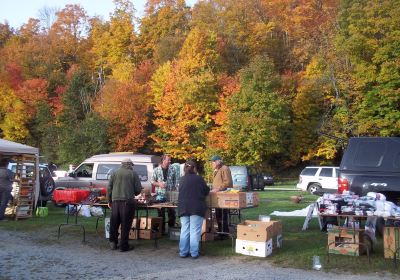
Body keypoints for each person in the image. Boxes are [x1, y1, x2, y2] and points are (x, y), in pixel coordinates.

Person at [107, 158, 142, 252]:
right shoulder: (133, 173)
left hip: (115, 202)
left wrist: (109, 200)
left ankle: (113, 243)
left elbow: (109, 187)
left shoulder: (114, 173)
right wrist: (133, 191)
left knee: (114, 222)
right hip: (127, 202)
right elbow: (138, 189)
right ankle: (123, 245)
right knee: (125, 224)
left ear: (122, 164)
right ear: (130, 165)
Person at [178, 160, 210, 259]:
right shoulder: (199, 179)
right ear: (194, 168)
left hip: (183, 207)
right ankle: (194, 253)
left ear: (185, 169)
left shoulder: (181, 179)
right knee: (195, 230)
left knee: (185, 230)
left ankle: (183, 252)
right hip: (196, 207)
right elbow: (206, 191)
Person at [151, 154, 177, 233]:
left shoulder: (173, 169)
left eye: (170, 160)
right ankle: (161, 231)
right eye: (168, 160)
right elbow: (152, 181)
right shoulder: (156, 170)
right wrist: (159, 184)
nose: (170, 161)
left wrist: (174, 189)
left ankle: (171, 230)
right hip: (159, 195)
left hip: (170, 195)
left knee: (172, 213)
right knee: (161, 213)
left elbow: (175, 182)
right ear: (163, 160)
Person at [210, 155, 233, 236]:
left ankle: (224, 234)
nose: (212, 164)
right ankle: (220, 232)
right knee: (218, 215)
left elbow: (228, 182)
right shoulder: (217, 169)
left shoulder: (224, 168)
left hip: (223, 196)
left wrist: (218, 189)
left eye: (213, 162)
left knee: (223, 215)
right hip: (218, 197)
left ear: (218, 161)